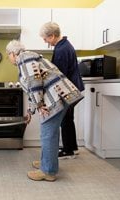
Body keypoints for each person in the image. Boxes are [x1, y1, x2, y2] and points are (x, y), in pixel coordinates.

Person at [6, 40, 83, 182]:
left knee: (48, 134)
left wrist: (40, 104)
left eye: (7, 55)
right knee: (49, 133)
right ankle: (47, 164)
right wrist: (30, 111)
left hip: (56, 97)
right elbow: (31, 88)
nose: (8, 58)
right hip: (59, 95)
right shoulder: (28, 57)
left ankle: (48, 171)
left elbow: (35, 82)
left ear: (12, 53)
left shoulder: (24, 58)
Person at [39, 22, 84, 159]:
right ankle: (71, 147)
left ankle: (68, 150)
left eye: (45, 38)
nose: (45, 41)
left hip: (68, 89)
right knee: (68, 118)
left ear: (52, 36)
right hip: (73, 87)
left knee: (64, 119)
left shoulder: (61, 50)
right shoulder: (64, 45)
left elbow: (59, 74)